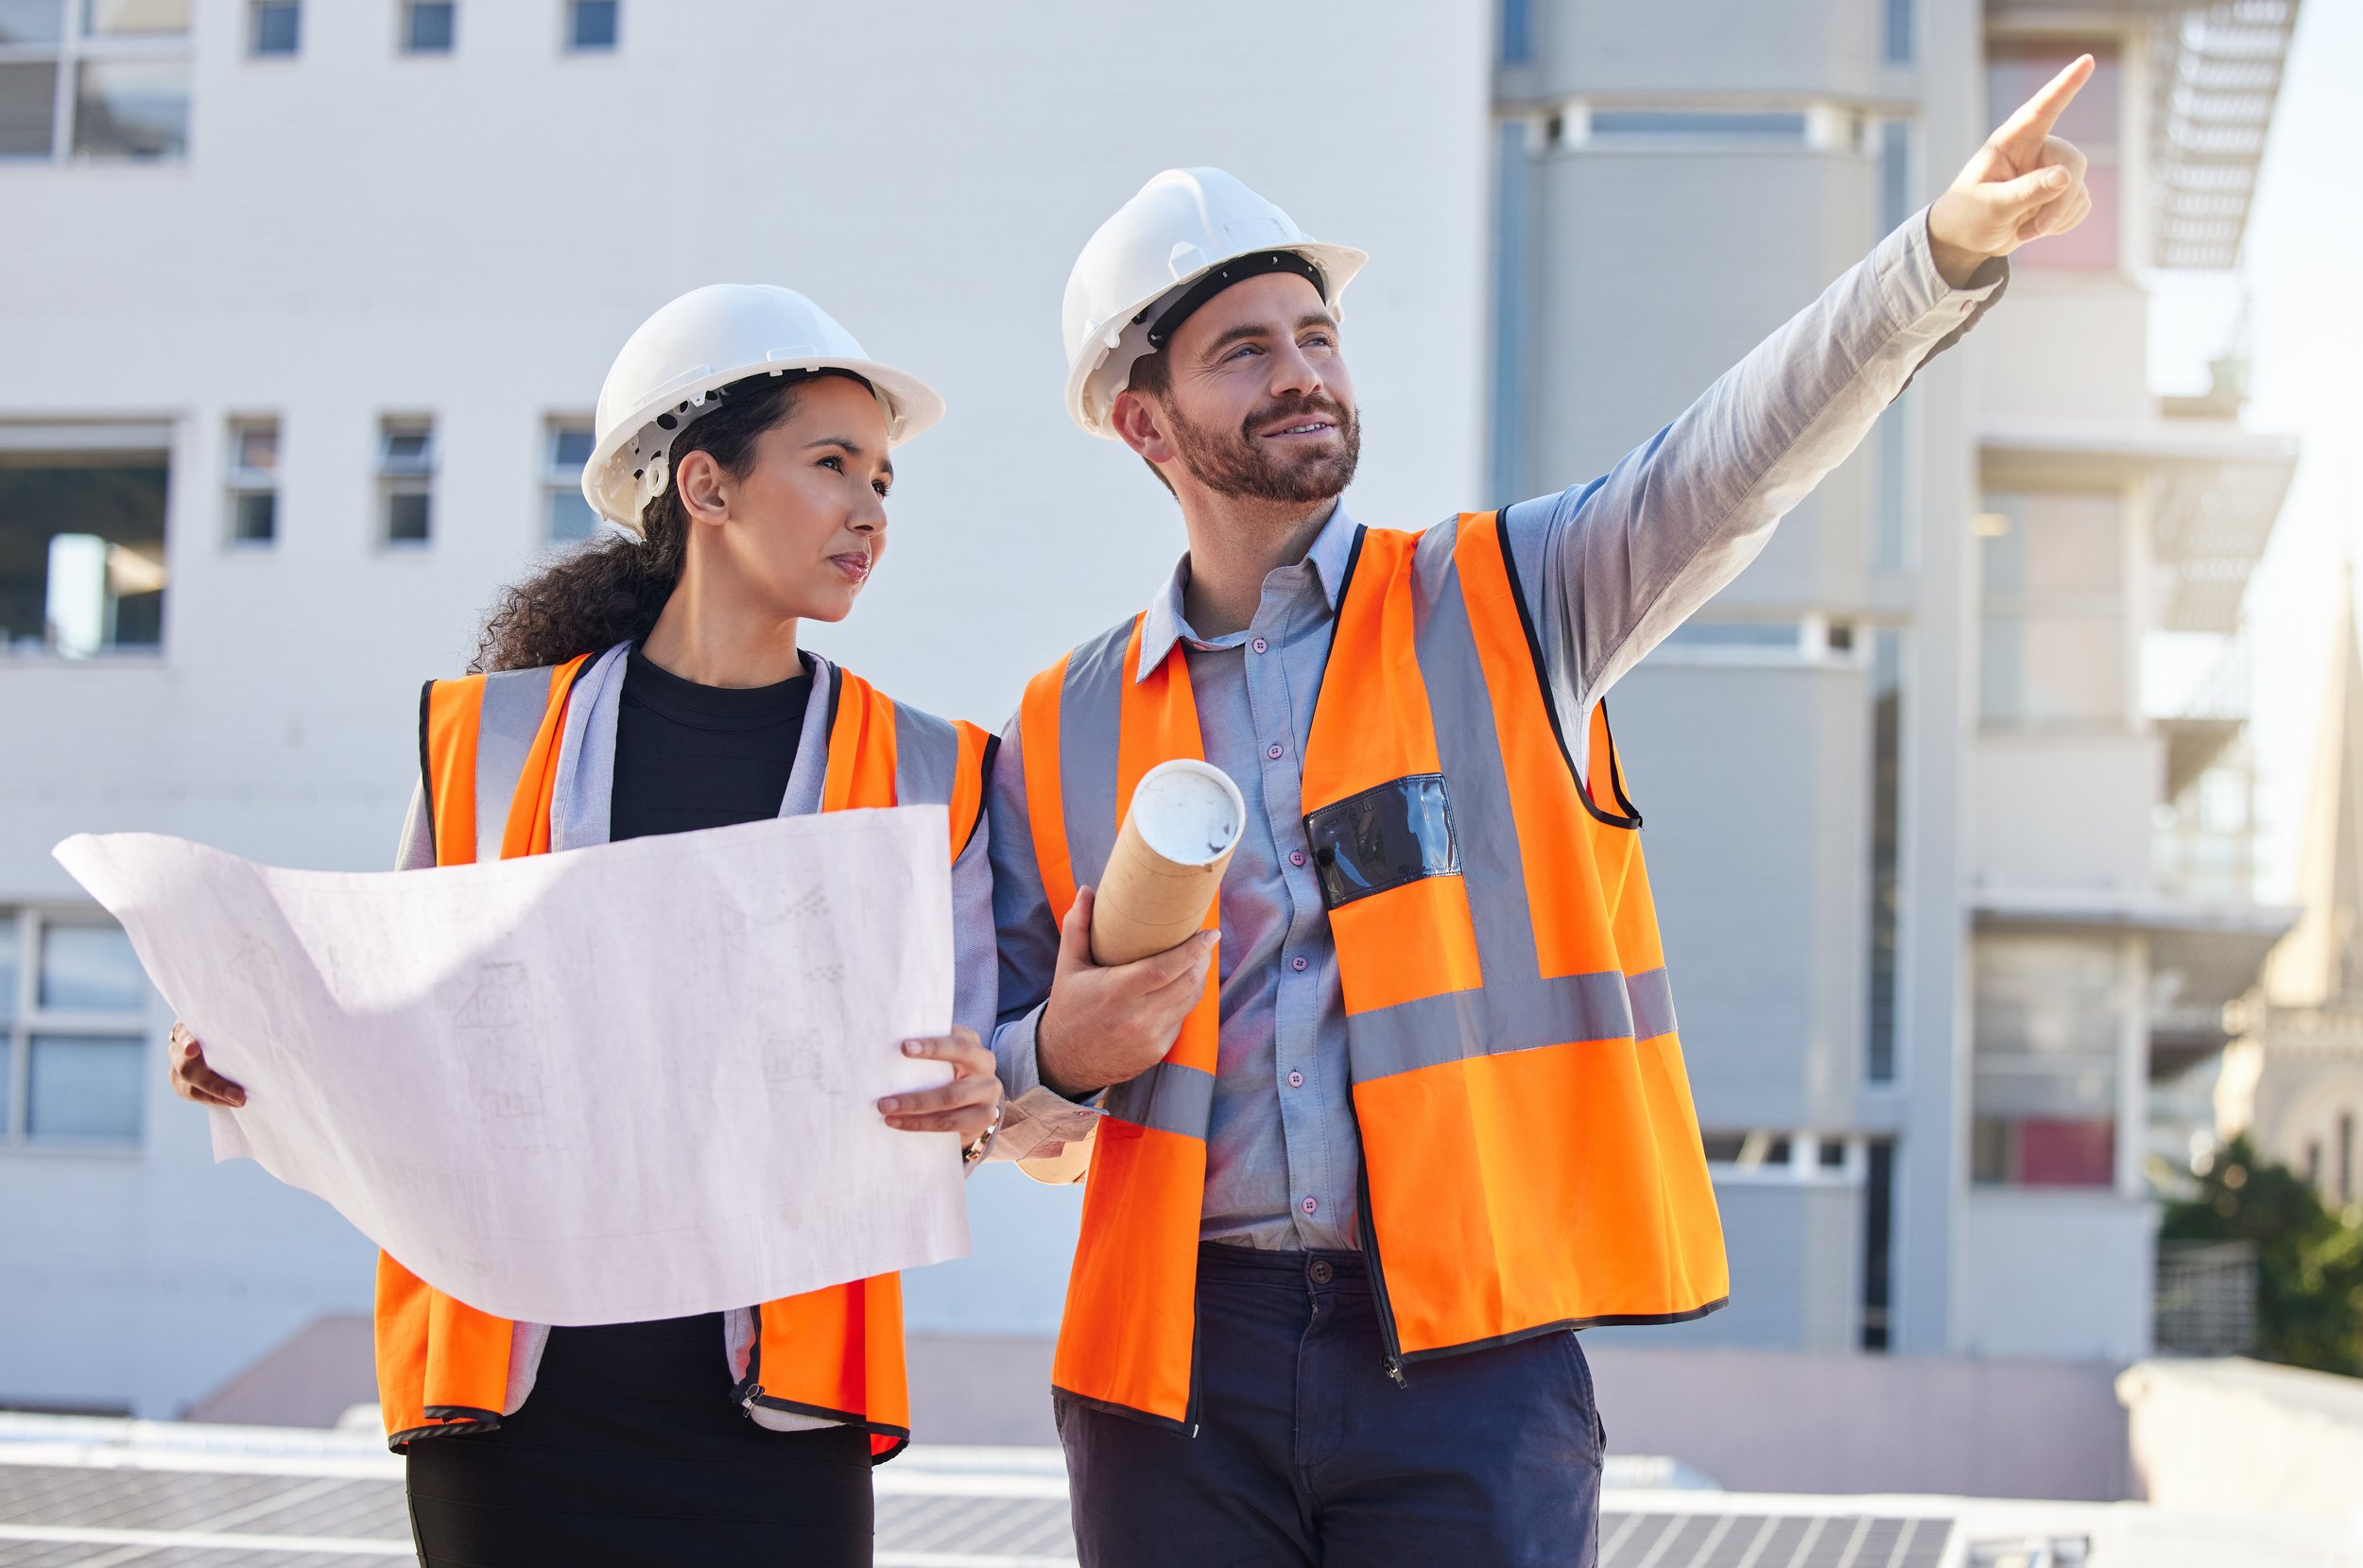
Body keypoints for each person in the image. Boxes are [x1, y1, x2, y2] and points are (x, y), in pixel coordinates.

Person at [986, 60, 2098, 1568]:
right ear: (1146, 423)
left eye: (1317, 334)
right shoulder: (1060, 726)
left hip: (1465, 1349)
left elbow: (1732, 457)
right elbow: (1017, 1105)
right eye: (1244, 352)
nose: (1303, 370)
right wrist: (1048, 1057)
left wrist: (1941, 254)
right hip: (1172, 1370)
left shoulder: (1511, 600)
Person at [167, 284, 1005, 1567]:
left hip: (774, 1413)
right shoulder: (488, 740)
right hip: (514, 1407)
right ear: (706, 486)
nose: (872, 511)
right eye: (832, 464)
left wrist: (974, 1105)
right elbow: (394, 1024)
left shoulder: (935, 771)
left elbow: (964, 1081)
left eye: (885, 479)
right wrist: (254, 1052)